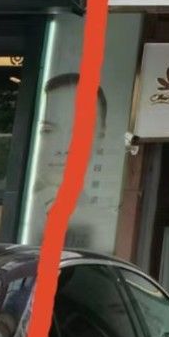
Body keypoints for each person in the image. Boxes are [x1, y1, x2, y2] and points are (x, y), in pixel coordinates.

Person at [30, 72, 108, 250]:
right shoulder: (24, 213)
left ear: (100, 138)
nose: (64, 147)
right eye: (48, 130)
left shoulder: (101, 223)